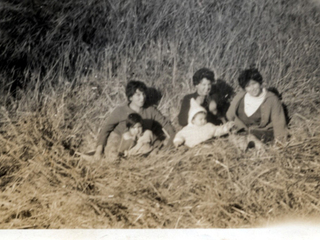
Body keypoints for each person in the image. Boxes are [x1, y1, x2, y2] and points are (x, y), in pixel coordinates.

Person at [94, 80, 175, 161]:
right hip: (120, 141)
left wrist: (171, 143)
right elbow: (106, 130)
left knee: (155, 154)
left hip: (140, 143)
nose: (142, 98)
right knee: (114, 157)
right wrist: (98, 151)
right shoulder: (120, 111)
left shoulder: (151, 110)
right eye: (138, 95)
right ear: (130, 97)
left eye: (143, 94)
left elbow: (166, 125)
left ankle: (132, 156)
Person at [226, 68, 288, 150]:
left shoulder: (272, 99)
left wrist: (280, 143)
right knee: (232, 138)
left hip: (262, 133)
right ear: (244, 88)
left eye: (254, 84)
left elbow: (279, 123)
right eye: (247, 86)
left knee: (249, 138)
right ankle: (250, 145)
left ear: (260, 83)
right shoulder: (240, 97)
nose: (252, 88)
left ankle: (258, 146)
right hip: (242, 132)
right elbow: (229, 115)